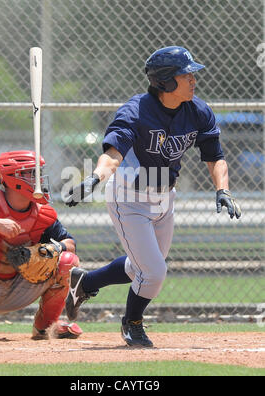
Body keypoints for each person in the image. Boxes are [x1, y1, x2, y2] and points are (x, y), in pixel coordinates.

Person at [64, 46, 242, 348]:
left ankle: (86, 281)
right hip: (129, 197)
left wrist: (222, 189)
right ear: (165, 82)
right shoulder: (136, 110)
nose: (193, 79)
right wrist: (94, 177)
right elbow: (114, 153)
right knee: (155, 271)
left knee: (140, 268)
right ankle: (132, 324)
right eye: (185, 74)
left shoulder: (198, 110)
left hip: (164, 196)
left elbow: (215, 156)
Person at [0, 150, 83, 340]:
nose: (38, 180)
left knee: (68, 262)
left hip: (19, 288)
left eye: (38, 174)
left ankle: (45, 328)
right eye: (31, 174)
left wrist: (55, 249)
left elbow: (70, 243)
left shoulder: (43, 214)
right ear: (13, 177)